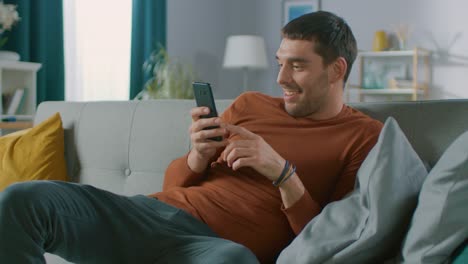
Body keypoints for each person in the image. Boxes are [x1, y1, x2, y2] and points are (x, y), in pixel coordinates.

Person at [0, 11, 382, 264]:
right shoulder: (251, 104)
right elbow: (173, 184)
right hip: (148, 215)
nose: (281, 79)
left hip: (212, 248)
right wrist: (197, 157)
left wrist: (282, 173)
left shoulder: (362, 136)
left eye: (297, 66)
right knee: (21, 199)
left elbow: (333, 238)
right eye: (280, 62)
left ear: (336, 70)